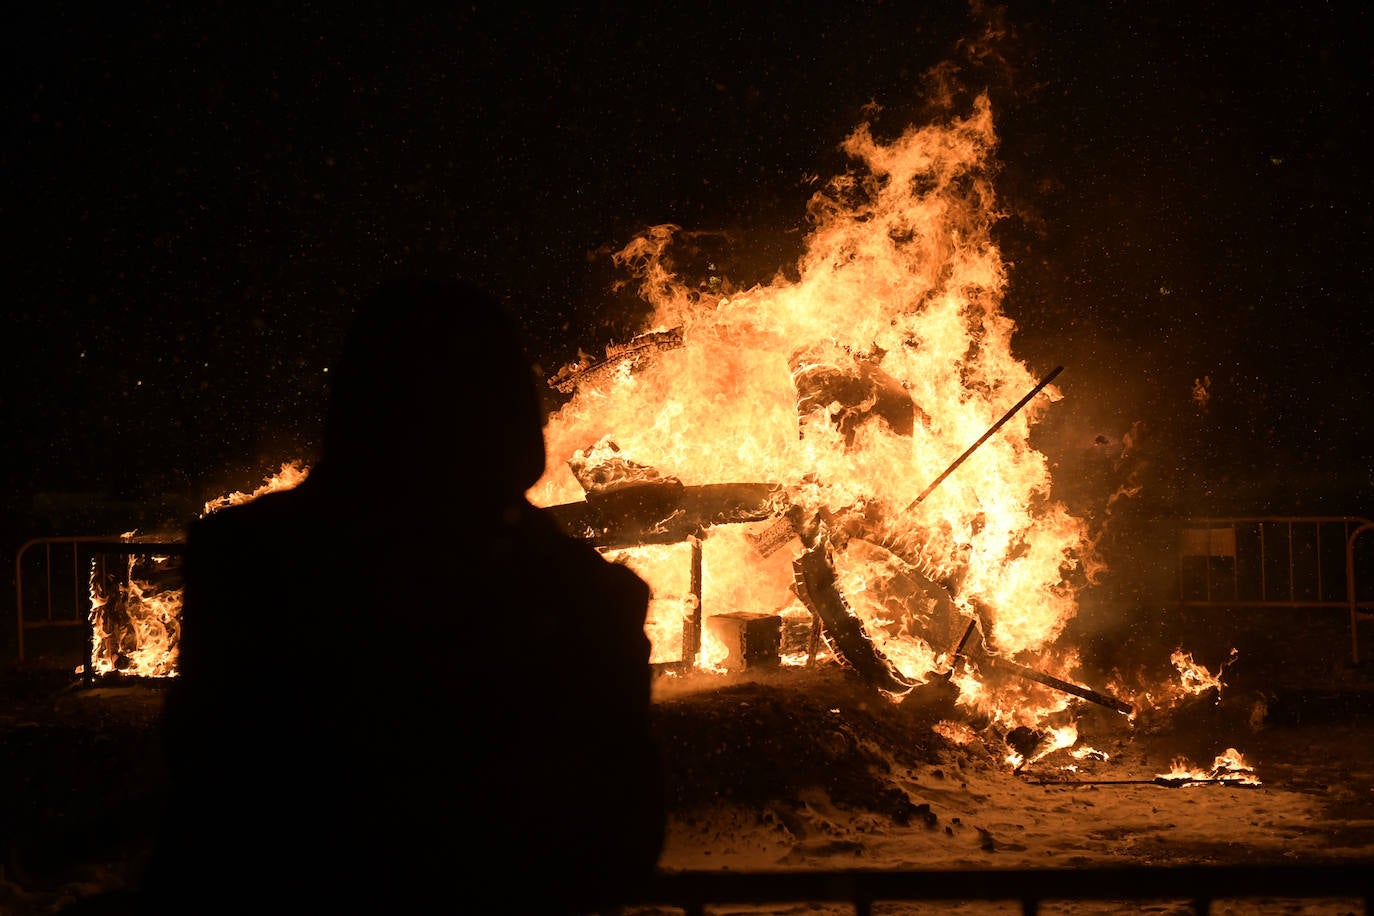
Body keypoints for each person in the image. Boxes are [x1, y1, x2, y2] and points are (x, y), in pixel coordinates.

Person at [139, 277, 667, 913]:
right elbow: (616, 843)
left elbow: (213, 791)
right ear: (509, 420)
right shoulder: (576, 592)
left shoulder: (247, 557)